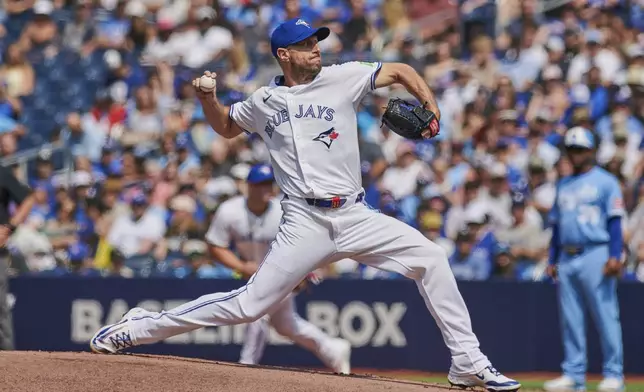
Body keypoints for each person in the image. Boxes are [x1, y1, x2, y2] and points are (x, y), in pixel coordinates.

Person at [90, 17, 520, 391]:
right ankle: (138, 328)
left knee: (431, 257)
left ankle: (466, 361)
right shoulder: (263, 100)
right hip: (304, 219)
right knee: (248, 307)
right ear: (284, 55)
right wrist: (207, 99)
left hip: (354, 214)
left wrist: (432, 106)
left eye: (316, 42)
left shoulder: (344, 76)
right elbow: (224, 128)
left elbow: (403, 70)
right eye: (306, 44)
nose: (316, 49)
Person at [206, 163, 350, 373]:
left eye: (268, 184)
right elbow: (214, 246)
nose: (265, 189)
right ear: (248, 186)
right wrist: (241, 266)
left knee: (257, 311)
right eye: (259, 184)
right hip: (255, 276)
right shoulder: (230, 211)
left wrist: (303, 273)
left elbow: (305, 244)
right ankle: (332, 348)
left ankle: (246, 366)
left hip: (283, 275)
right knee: (287, 327)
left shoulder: (283, 212)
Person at [544, 127, 625, 392]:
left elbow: (614, 222)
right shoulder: (564, 184)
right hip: (567, 255)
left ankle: (614, 374)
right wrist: (552, 257)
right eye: (571, 149)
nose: (575, 154)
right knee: (571, 318)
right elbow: (556, 226)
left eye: (580, 149)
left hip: (596, 251)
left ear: (591, 151)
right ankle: (573, 374)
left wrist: (615, 255)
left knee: (605, 314)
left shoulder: (606, 181)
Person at [0, 165, 35, 350]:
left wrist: (9, 227)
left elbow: (28, 199)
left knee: (0, 307)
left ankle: (6, 358)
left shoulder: (2, 173)